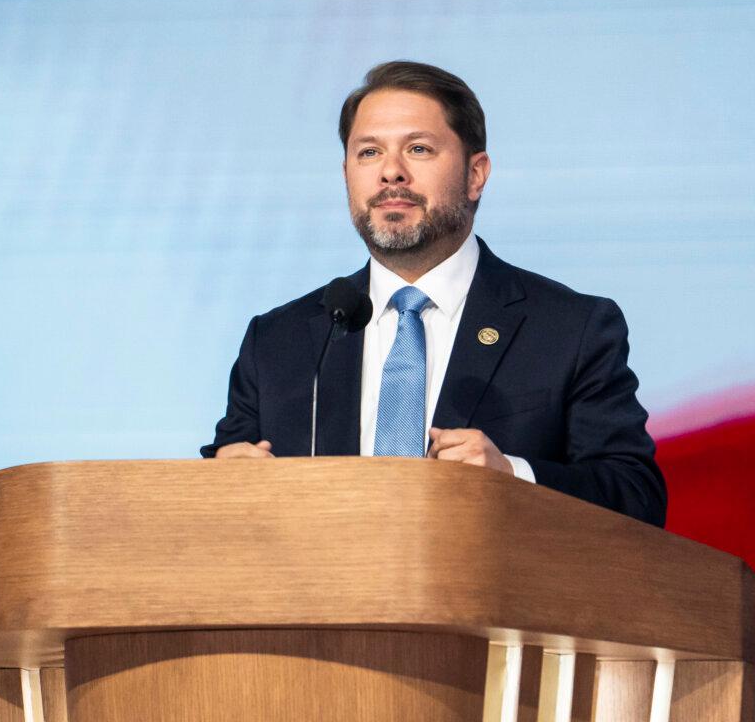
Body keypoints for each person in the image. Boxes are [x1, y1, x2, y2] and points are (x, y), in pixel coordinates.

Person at [201, 61, 666, 526]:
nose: (390, 173)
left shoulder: (569, 329)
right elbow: (209, 504)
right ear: (346, 174)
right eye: (368, 153)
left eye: (418, 149)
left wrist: (513, 477)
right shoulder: (279, 342)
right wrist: (224, 487)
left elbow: (636, 498)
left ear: (475, 175)